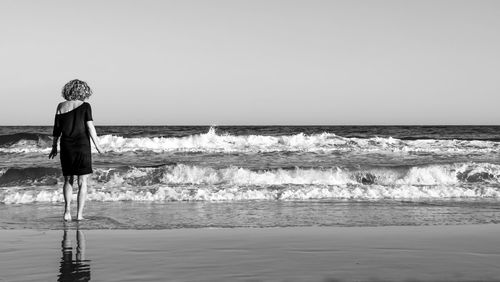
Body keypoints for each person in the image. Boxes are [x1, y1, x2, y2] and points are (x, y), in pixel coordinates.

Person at [49, 79, 103, 221]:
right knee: (82, 182)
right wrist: (98, 146)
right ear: (83, 91)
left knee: (68, 180)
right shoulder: (86, 106)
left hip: (66, 145)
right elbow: (90, 127)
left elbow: (57, 129)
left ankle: (67, 212)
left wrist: (54, 146)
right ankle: (79, 215)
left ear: (68, 90)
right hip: (82, 146)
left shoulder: (60, 106)